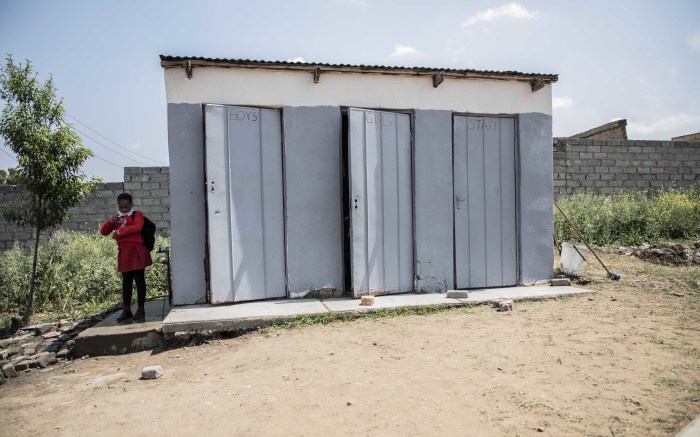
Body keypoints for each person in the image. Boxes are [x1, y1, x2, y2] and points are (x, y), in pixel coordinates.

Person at [100, 192, 153, 323]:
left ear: (131, 205)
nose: (124, 210)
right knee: (126, 282)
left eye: (126, 207)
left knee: (139, 281)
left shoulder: (137, 214)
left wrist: (119, 231)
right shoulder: (117, 217)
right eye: (121, 207)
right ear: (118, 206)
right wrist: (110, 221)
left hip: (136, 250)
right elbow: (104, 232)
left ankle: (141, 310)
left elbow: (137, 226)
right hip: (124, 252)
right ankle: (127, 310)